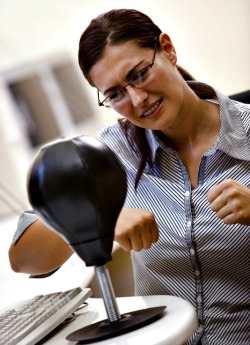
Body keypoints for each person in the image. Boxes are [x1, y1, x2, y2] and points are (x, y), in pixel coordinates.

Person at [8, 9, 250, 345]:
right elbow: (24, 260)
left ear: (167, 49)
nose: (137, 100)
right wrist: (96, 221)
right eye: (116, 94)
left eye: (139, 75)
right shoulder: (109, 153)